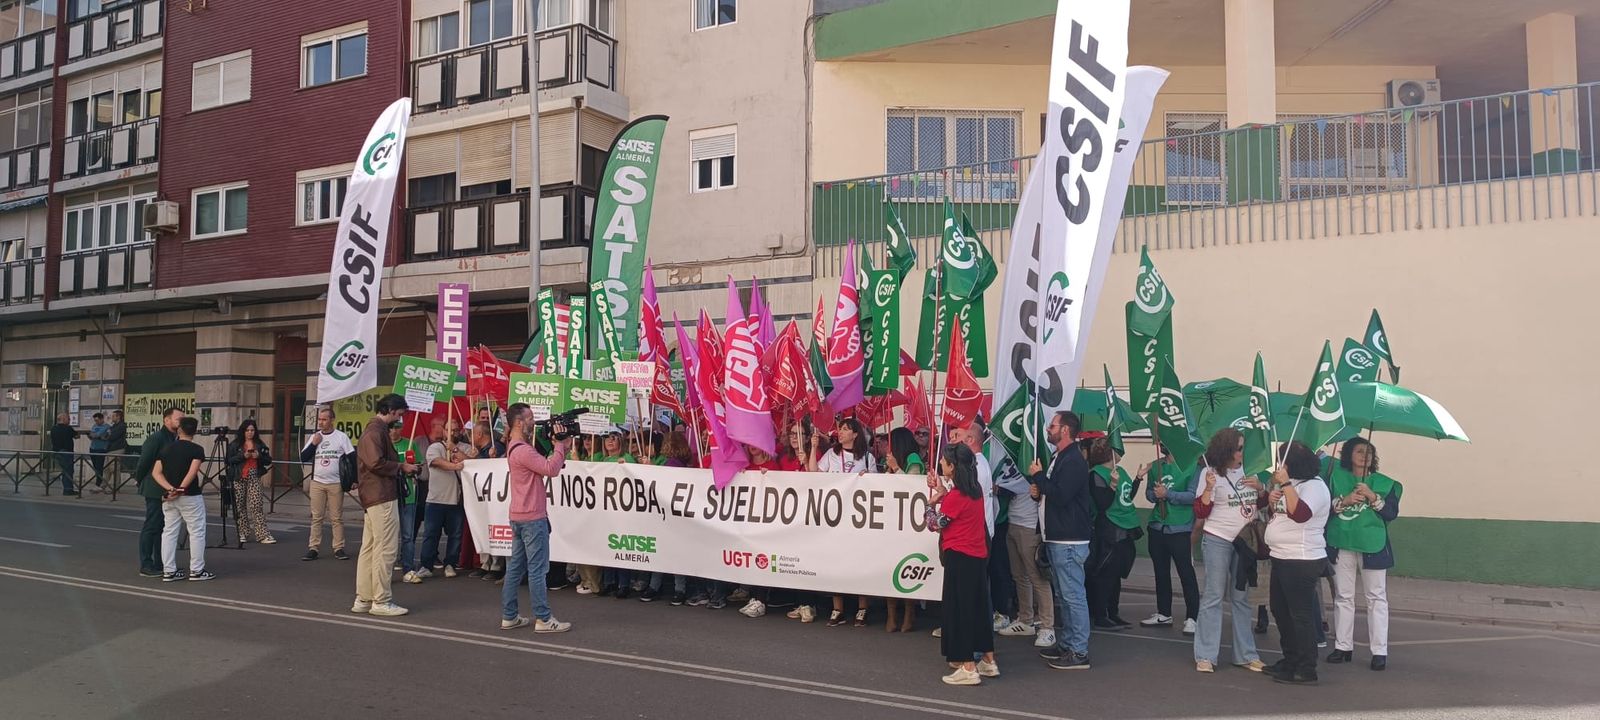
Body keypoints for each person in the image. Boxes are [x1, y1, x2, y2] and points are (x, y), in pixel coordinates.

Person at [1191, 428, 1268, 674]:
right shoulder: (1210, 473)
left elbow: (1262, 503)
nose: (1242, 453)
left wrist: (1261, 489)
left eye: (1243, 447)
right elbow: (1201, 512)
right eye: (1239, 448)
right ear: (1226, 450)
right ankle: (1205, 655)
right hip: (1218, 538)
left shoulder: (1252, 470)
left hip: (1245, 541)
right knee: (1213, 596)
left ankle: (1246, 655)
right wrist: (1208, 489)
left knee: (1241, 598)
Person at [1326, 437, 1401, 672]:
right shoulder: (1335, 478)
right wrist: (1344, 500)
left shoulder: (1384, 483)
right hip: (1342, 542)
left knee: (1376, 598)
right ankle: (1343, 646)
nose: (1365, 455)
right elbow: (1324, 508)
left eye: (1369, 452)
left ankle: (1379, 651)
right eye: (1359, 451)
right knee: (1343, 596)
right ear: (1348, 454)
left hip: (1372, 545)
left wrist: (1372, 496)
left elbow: (1390, 513)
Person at [500, 403, 574, 633]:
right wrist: (560, 445)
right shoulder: (523, 450)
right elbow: (551, 469)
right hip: (532, 517)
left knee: (515, 568)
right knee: (537, 569)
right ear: (519, 422)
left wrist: (560, 448)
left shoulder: (515, 447)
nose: (534, 422)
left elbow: (546, 466)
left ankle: (509, 615)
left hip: (519, 515)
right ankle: (543, 618)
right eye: (530, 418)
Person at [929, 442, 999, 686]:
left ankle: (968, 665)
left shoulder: (957, 496)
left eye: (944, 460)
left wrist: (931, 503)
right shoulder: (974, 490)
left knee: (960, 609)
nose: (940, 462)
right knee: (978, 607)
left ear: (952, 466)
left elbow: (935, 524)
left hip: (960, 555)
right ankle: (988, 659)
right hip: (977, 555)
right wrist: (942, 491)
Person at [1263, 442, 1333, 685]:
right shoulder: (1294, 484)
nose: (1279, 465)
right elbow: (1281, 515)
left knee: (1300, 615)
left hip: (1302, 558)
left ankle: (1306, 667)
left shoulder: (1315, 487)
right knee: (1280, 610)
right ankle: (1290, 659)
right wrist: (1273, 500)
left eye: (1282, 460)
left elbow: (1300, 514)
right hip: (1282, 555)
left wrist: (1285, 485)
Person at [1029, 411, 1092, 671]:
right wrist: (1038, 491)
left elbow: (1063, 494)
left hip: (1069, 539)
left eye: (1052, 425)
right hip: (1058, 536)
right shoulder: (1060, 457)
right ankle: (1067, 643)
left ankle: (1079, 650)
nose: (1048, 429)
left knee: (1073, 596)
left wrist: (1039, 478)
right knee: (1064, 596)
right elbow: (1053, 492)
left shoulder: (1074, 460)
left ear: (1065, 429)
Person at [352, 394, 417, 617]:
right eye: (399, 414)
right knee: (385, 549)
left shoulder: (373, 430)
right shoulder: (376, 431)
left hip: (373, 496)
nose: (399, 420)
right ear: (390, 410)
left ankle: (364, 598)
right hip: (381, 495)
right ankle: (381, 600)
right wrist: (401, 467)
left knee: (370, 548)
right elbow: (375, 463)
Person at [994, 428, 1056, 650]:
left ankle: (1047, 627)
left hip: (1030, 526)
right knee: (1019, 575)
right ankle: (1026, 619)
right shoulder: (1011, 462)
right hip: (1013, 521)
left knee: (1037, 577)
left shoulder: (1037, 462)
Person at [813, 418, 873, 626]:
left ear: (855, 434)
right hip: (834, 516)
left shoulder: (867, 457)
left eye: (846, 429)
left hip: (857, 518)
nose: (840, 432)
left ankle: (862, 608)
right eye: (840, 428)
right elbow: (814, 474)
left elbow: (877, 485)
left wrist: (867, 477)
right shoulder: (832, 454)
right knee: (835, 561)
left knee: (859, 561)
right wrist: (813, 449)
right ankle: (837, 609)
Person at [1140, 446, 1200, 635]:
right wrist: (1155, 494)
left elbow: (1193, 496)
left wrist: (1168, 494)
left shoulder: (1192, 467)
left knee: (1186, 573)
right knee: (1161, 572)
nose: (1161, 443)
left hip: (1180, 527)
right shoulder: (1156, 466)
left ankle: (1193, 617)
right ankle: (1164, 613)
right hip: (1157, 526)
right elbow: (1149, 494)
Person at [1086, 437, 1143, 631]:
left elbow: (1126, 496)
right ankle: (1100, 614)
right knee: (1106, 573)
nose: (1121, 452)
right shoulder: (1096, 474)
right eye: (1118, 448)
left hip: (1126, 526)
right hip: (1109, 528)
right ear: (1109, 452)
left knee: (1117, 573)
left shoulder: (1121, 472)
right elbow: (1103, 503)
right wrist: (1111, 485)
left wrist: (1137, 479)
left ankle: (1113, 612)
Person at [153, 417, 213, 582]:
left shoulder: (166, 448)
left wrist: (170, 489)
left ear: (179, 430)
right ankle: (196, 570)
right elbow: (192, 472)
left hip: (169, 497)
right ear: (194, 431)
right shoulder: (197, 450)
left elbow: (156, 473)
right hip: (190, 495)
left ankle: (169, 571)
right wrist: (180, 489)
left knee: (169, 532)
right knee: (196, 532)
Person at [881, 427, 925, 633]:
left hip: (909, 521)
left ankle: (909, 612)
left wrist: (896, 468)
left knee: (907, 567)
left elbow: (912, 486)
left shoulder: (913, 459)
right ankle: (891, 614)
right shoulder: (889, 462)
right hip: (891, 520)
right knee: (889, 566)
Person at [645, 430, 696, 605]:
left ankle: (659, 587)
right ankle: (676, 589)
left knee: (664, 551)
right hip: (675, 513)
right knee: (673, 551)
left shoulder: (672, 464)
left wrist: (650, 469)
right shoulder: (682, 463)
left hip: (669, 513)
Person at [135, 407, 184, 578]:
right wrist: (139, 479)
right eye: (178, 419)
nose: (181, 422)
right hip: (154, 487)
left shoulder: (176, 437)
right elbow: (144, 462)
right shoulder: (157, 438)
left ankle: (161, 562)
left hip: (168, 487)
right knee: (152, 526)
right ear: (166, 420)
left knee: (163, 527)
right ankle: (146, 564)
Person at [300, 408, 353, 561]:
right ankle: (313, 548)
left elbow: (352, 457)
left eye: (324, 419)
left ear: (332, 420)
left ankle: (339, 548)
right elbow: (303, 457)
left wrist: (354, 479)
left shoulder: (341, 437)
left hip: (335, 482)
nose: (321, 422)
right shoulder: (315, 437)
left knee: (336, 517)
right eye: (320, 419)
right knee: (317, 517)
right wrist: (313, 444)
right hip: (317, 482)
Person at [421, 419, 472, 578]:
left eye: (456, 430)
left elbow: (471, 463)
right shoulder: (434, 447)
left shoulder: (466, 447)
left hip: (456, 499)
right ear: (443, 431)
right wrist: (455, 466)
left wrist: (455, 450)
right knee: (431, 534)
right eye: (449, 429)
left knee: (455, 535)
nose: (453, 432)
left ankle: (450, 563)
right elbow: (436, 462)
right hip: (436, 499)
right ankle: (426, 565)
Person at [226, 419, 276, 545]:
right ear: (243, 431)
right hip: (239, 476)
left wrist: (259, 456)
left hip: (254, 475)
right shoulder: (235, 444)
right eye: (247, 430)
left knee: (256, 505)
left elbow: (268, 460)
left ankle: (262, 534)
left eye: (252, 430)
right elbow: (228, 460)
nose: (250, 432)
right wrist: (243, 456)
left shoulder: (259, 444)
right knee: (239, 506)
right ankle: (243, 532)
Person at [470, 421, 506, 581]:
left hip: (495, 496)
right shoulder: (480, 450)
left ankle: (496, 565)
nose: (471, 437)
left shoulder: (496, 448)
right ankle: (485, 564)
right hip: (482, 496)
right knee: (482, 527)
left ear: (480, 434)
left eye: (473, 433)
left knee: (494, 528)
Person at [393, 421, 426, 585]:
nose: (394, 431)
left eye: (397, 427)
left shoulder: (410, 443)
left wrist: (413, 466)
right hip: (390, 495)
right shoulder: (383, 444)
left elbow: (420, 468)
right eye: (391, 428)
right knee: (388, 536)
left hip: (408, 495)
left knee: (408, 535)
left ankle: (408, 569)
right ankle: (383, 570)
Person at [50, 413, 78, 496]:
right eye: (68, 419)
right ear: (64, 419)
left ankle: (67, 488)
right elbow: (76, 436)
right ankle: (68, 490)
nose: (69, 420)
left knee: (65, 470)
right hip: (66, 452)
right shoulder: (68, 428)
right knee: (68, 471)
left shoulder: (53, 428)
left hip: (56, 452)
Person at [105, 410, 129, 491]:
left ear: (118, 417)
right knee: (107, 468)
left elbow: (112, 436)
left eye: (113, 416)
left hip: (117, 448)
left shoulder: (122, 426)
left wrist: (109, 434)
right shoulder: (113, 426)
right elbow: (106, 435)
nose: (112, 417)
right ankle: (103, 485)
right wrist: (108, 434)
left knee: (114, 468)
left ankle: (116, 487)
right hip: (110, 449)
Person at [87, 413, 110, 493]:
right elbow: (92, 435)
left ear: (102, 419)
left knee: (99, 467)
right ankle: (98, 483)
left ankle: (98, 484)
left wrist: (95, 435)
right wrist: (92, 435)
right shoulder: (94, 426)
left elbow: (101, 436)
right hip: (93, 448)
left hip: (101, 449)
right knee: (95, 467)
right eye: (95, 420)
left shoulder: (107, 427)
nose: (96, 422)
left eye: (97, 420)